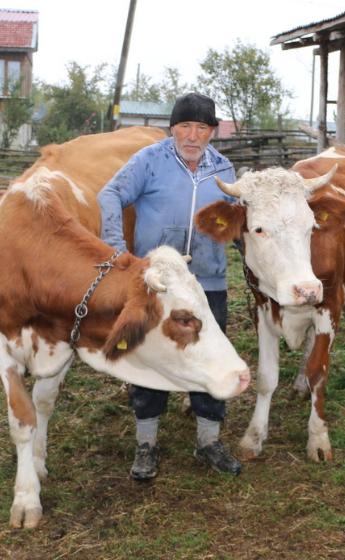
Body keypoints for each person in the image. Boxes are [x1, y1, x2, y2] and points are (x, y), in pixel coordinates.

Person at [98, 92, 241, 481]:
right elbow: (109, 194)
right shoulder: (150, 161)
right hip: (157, 282)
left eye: (201, 128)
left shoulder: (224, 169)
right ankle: (146, 443)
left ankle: (209, 439)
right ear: (172, 129)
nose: (192, 136)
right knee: (149, 356)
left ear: (212, 132)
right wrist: (118, 252)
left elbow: (237, 218)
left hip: (207, 281)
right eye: (184, 127)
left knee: (211, 354)